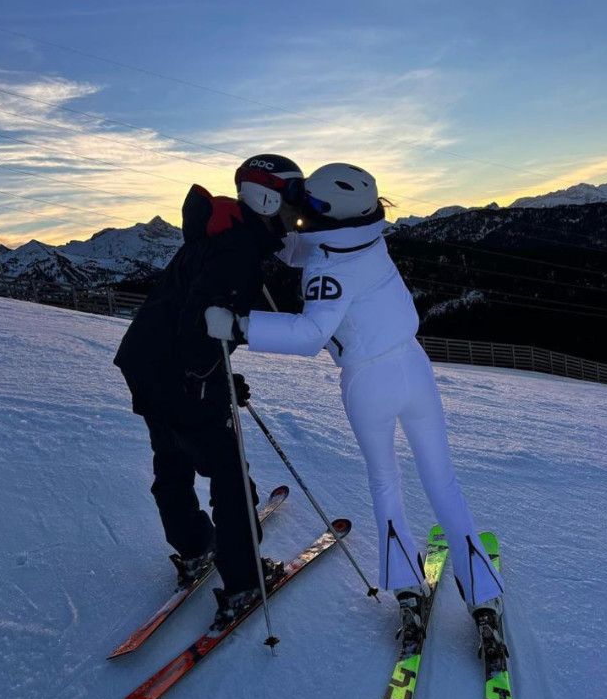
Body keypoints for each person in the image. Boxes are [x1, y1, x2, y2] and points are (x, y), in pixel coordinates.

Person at [205, 163, 505, 647]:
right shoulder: (369, 239)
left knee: (386, 484)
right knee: (442, 481)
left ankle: (407, 588)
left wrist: (240, 325)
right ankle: (483, 595)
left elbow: (310, 334)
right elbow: (309, 244)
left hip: (367, 382)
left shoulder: (328, 269)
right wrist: (275, 238)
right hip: (414, 367)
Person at [114, 154, 305, 629]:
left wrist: (217, 375)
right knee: (228, 471)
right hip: (175, 370)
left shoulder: (223, 234)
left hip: (145, 363)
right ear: (266, 197)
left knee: (172, 458)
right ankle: (243, 582)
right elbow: (200, 325)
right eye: (292, 197)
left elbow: (194, 314)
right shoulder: (237, 249)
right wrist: (207, 379)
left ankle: (196, 547)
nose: (298, 210)